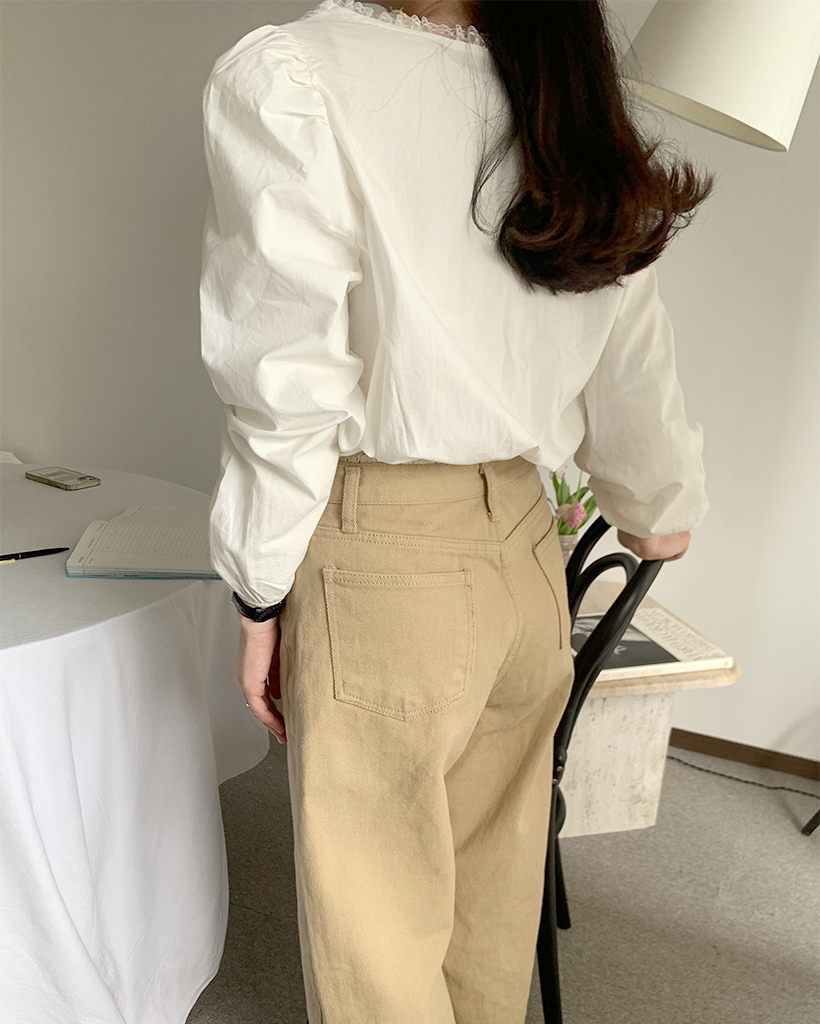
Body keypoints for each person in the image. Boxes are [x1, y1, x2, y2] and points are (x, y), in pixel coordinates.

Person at [199, 2, 714, 1021]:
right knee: (491, 899)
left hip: (385, 562)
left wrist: (259, 588)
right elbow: (631, 341)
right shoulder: (564, 82)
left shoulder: (294, 76)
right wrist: (659, 498)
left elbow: (285, 375)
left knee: (379, 935)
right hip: (526, 551)